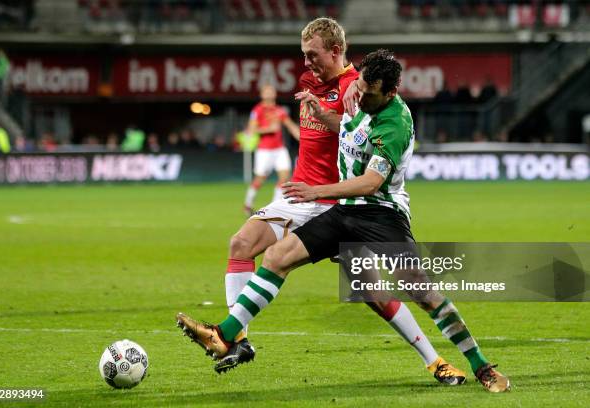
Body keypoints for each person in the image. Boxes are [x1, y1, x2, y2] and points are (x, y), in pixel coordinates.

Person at [177, 49, 510, 393]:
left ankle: (480, 364)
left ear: (391, 93)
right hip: (346, 211)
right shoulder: (364, 98)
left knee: (421, 293)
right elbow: (350, 129)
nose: (360, 96)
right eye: (360, 87)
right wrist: (324, 114)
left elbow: (371, 182)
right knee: (277, 258)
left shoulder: (394, 124)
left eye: (369, 93)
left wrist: (316, 190)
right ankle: (224, 335)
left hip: (382, 215)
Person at [243, 84, 300, 215]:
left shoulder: (279, 110)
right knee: (260, 179)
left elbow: (290, 126)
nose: (269, 93)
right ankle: (248, 203)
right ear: (262, 94)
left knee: (285, 178)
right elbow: (251, 131)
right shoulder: (257, 110)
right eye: (266, 91)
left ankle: (273, 207)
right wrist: (269, 129)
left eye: (271, 90)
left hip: (279, 149)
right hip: (264, 150)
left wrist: (302, 137)